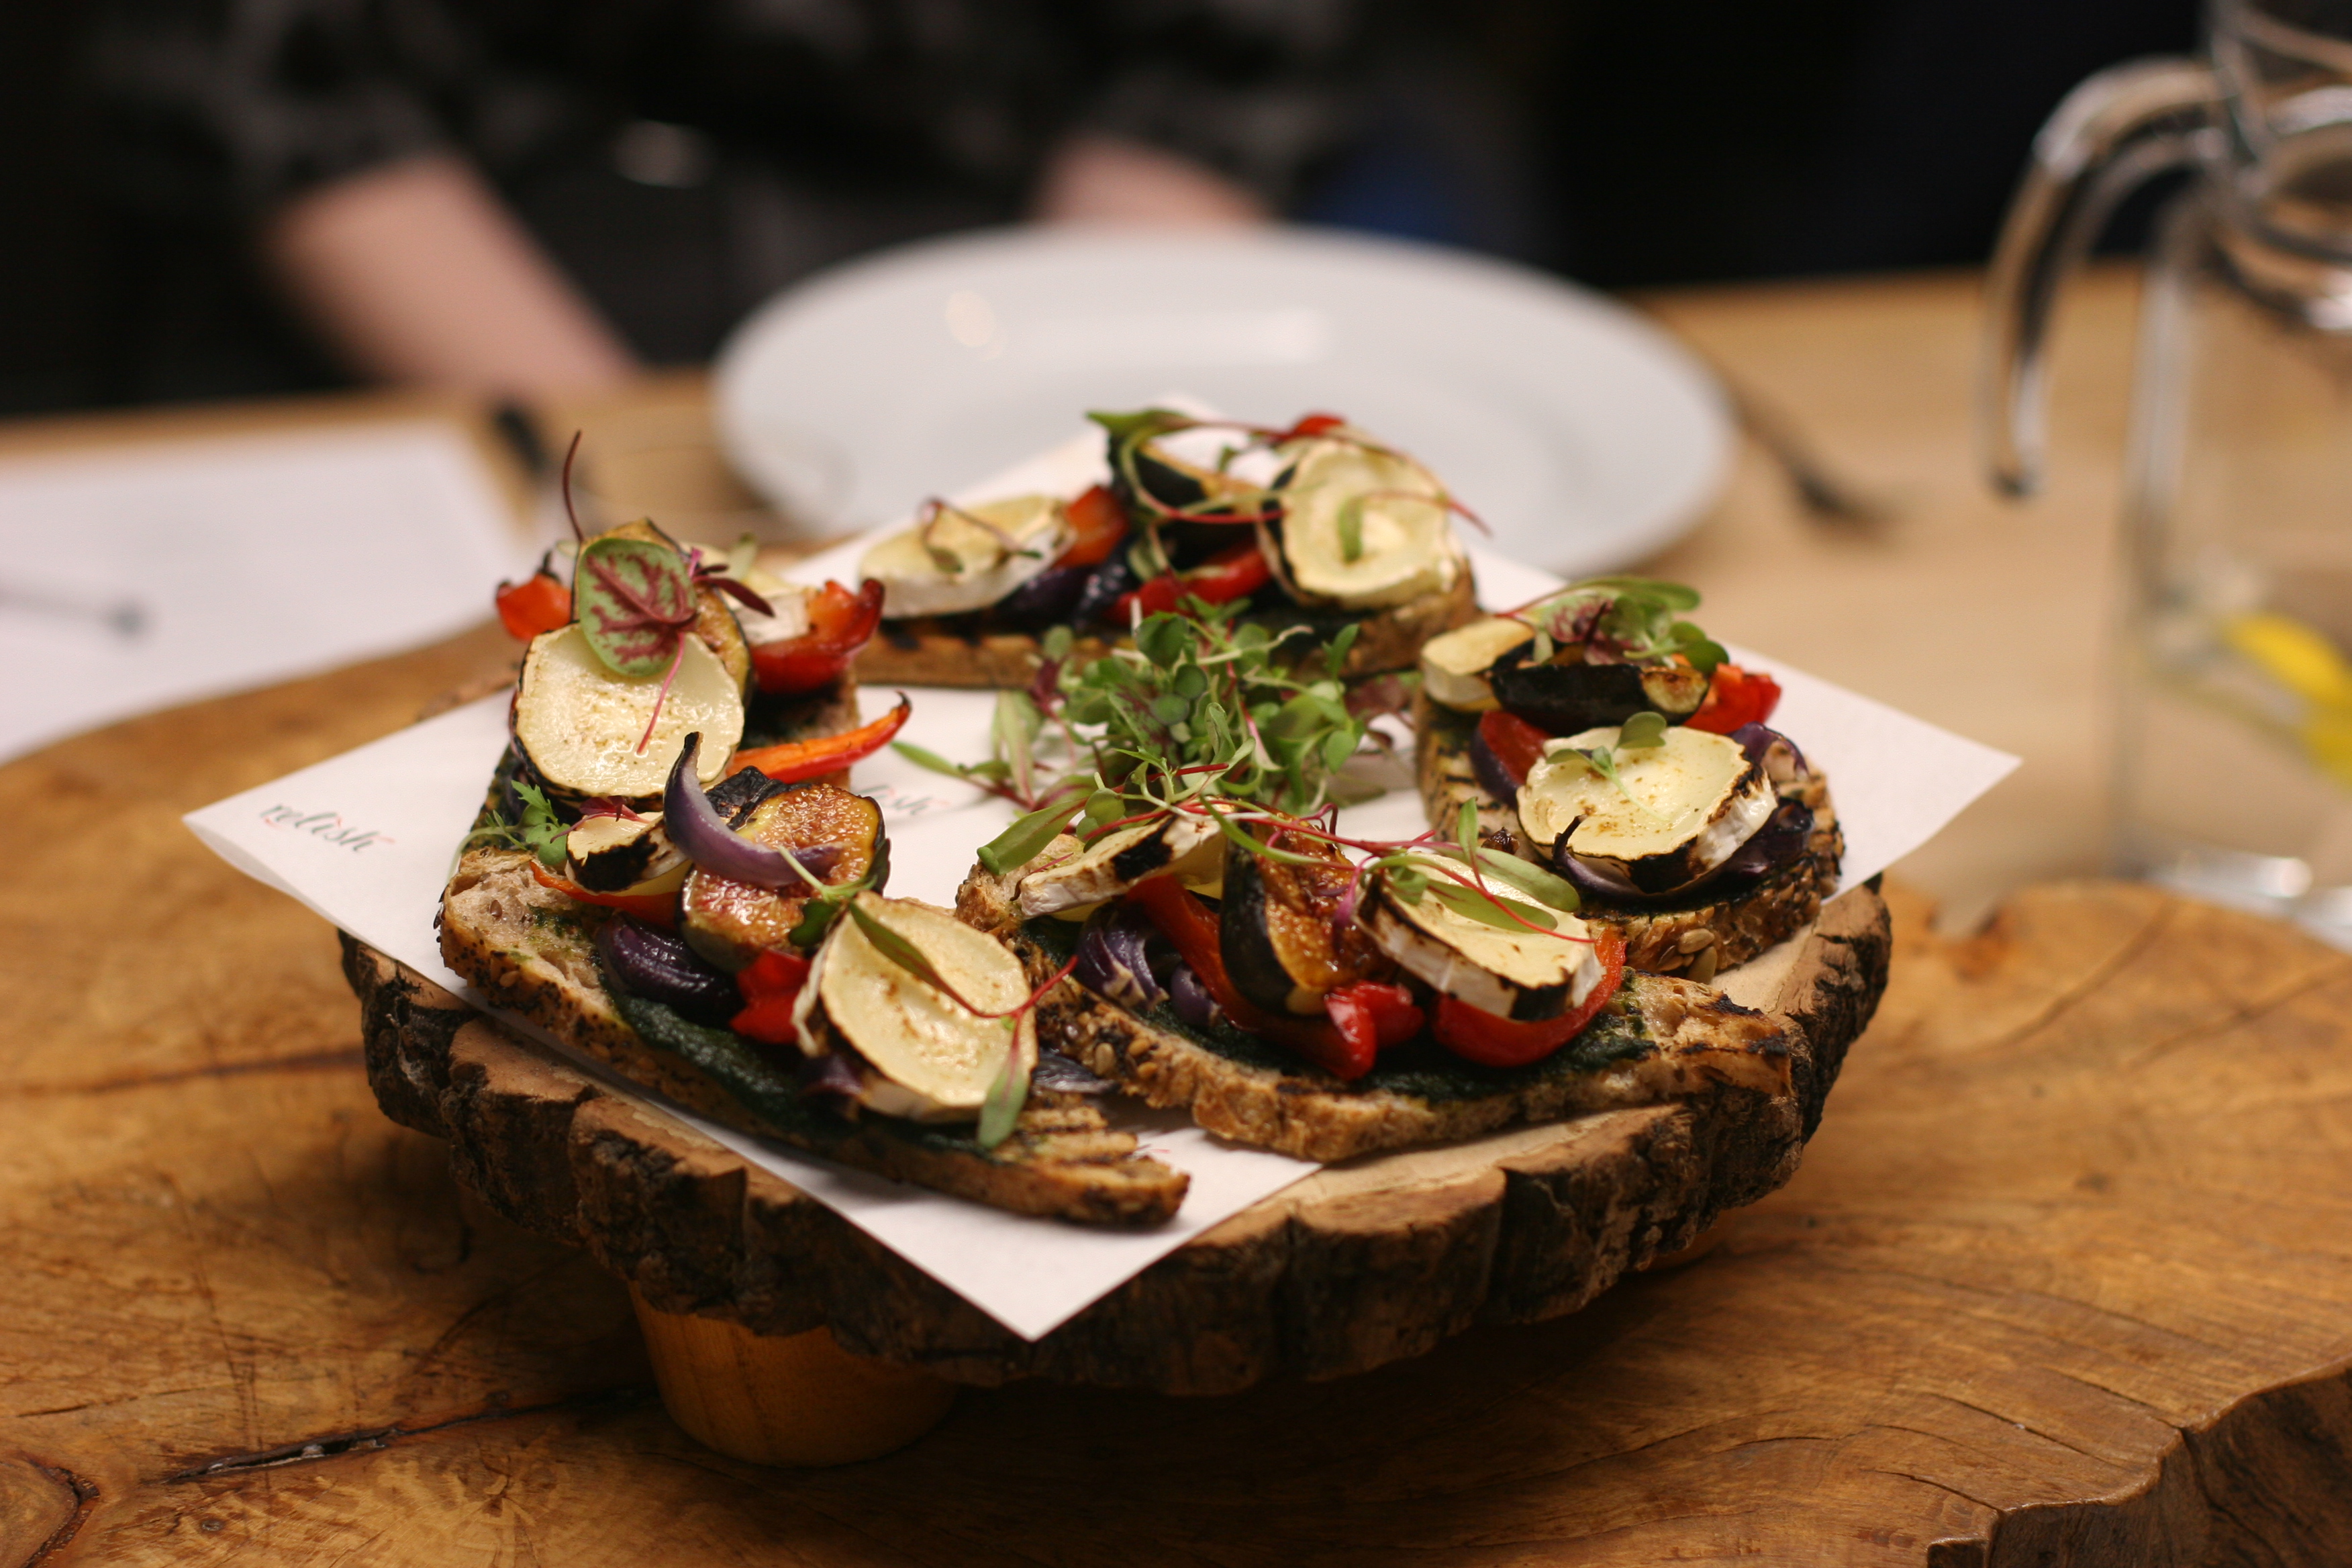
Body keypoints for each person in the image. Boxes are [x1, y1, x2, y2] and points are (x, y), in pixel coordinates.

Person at [89, 0, 1449, 401]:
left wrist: (1031, 462)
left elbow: (1229, 58)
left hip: (997, 243)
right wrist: (615, 491)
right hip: (452, 264)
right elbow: (253, 69)